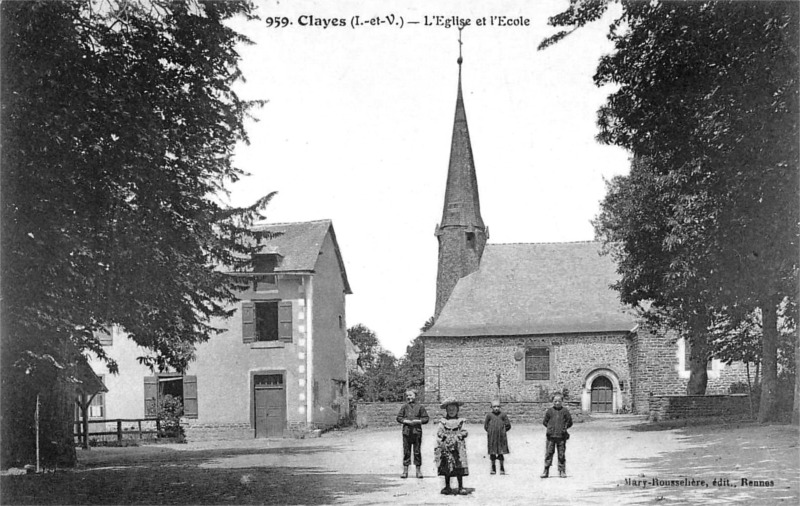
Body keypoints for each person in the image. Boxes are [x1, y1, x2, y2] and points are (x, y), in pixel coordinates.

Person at [435, 398, 469, 495]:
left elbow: (465, 431)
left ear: (457, 410)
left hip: (458, 447)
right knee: (446, 466)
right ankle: (447, 486)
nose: (451, 411)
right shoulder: (443, 421)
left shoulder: (460, 421)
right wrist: (443, 435)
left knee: (459, 465)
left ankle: (460, 486)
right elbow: (439, 431)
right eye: (449, 409)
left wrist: (460, 435)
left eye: (453, 409)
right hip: (447, 447)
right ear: (446, 410)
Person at [396, 389, 429, 479]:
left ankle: (418, 471)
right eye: (407, 396)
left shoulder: (420, 407)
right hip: (406, 432)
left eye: (410, 395)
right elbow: (399, 417)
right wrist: (405, 421)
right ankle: (405, 471)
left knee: (417, 451)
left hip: (416, 432)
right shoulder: (404, 407)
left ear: (415, 396)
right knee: (406, 451)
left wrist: (418, 421)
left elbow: (426, 418)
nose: (408, 397)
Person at [540, 393, 573, 478]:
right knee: (549, 453)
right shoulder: (549, 411)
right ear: (553, 402)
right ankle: (546, 470)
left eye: (559, 401)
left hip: (561, 437)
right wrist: (550, 428)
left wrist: (564, 428)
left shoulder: (565, 411)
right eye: (555, 401)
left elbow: (569, 422)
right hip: (551, 437)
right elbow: (545, 422)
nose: (557, 403)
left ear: (562, 402)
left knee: (561, 454)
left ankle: (562, 471)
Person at [484, 400, 511, 475]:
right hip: (492, 437)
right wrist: (490, 431)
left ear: (500, 407)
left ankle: (502, 467)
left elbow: (508, 425)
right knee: (492, 452)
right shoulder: (489, 415)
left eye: (498, 407)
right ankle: (493, 467)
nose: (496, 408)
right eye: (494, 407)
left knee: (501, 452)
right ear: (491, 407)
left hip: (501, 437)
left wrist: (503, 431)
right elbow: (486, 426)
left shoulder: (503, 415)